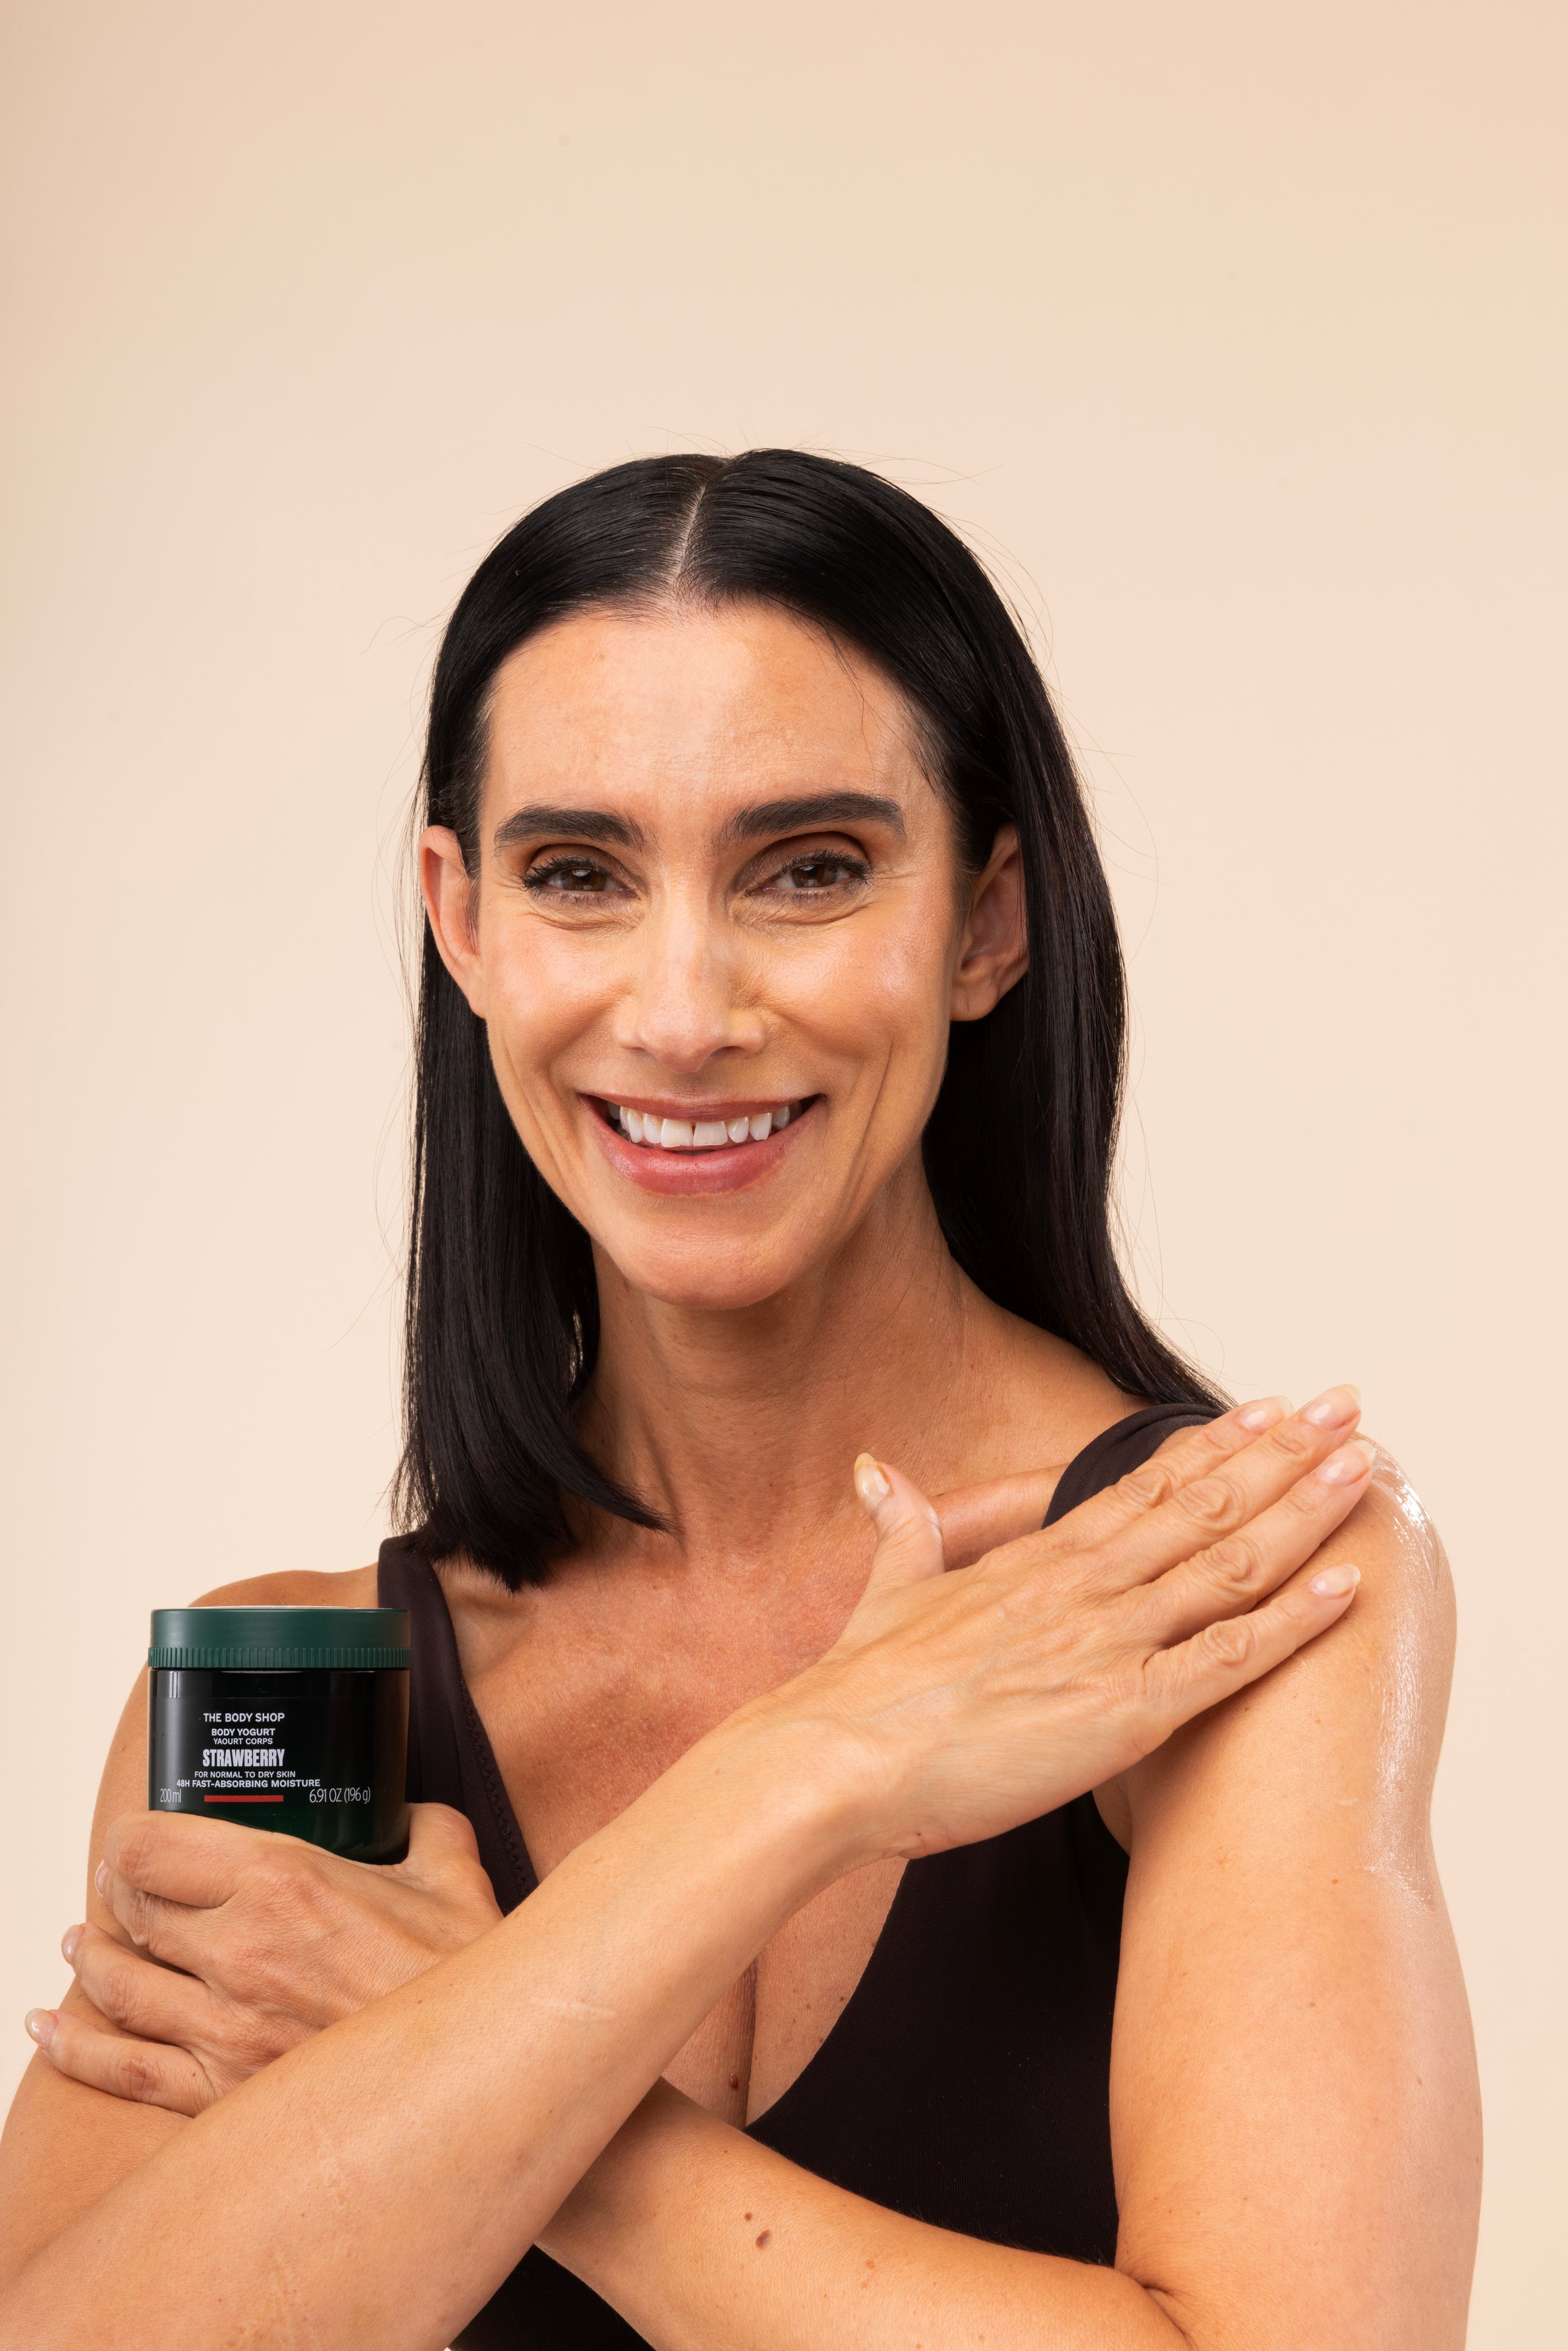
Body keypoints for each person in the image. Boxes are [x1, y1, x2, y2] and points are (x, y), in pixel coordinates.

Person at [0, 453, 1479, 2349]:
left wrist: (491, 2068)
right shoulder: (286, 1704)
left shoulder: (1221, 1584)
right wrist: (809, 1769)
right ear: (461, 921)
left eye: (809, 870)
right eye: (577, 877)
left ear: (985, 922)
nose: (683, 1012)